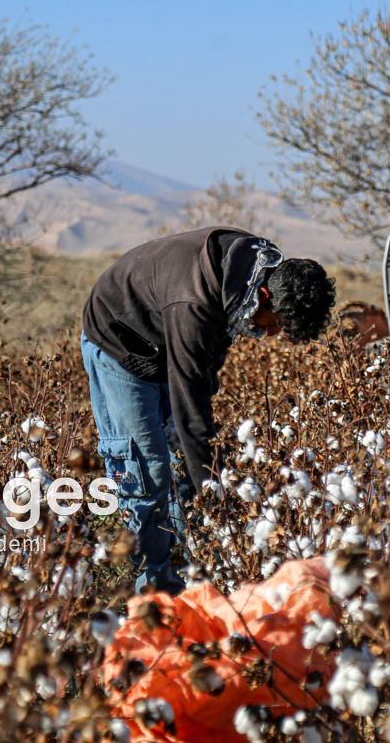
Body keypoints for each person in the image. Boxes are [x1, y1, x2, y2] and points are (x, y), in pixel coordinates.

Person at [81, 227, 336, 593]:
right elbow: (191, 406)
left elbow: (207, 357)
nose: (275, 334)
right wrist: (215, 492)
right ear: (264, 296)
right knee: (146, 467)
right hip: (119, 341)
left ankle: (190, 575)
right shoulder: (194, 304)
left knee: (183, 468)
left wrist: (205, 473)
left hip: (163, 338)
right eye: (278, 323)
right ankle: (150, 591)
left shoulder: (257, 267)